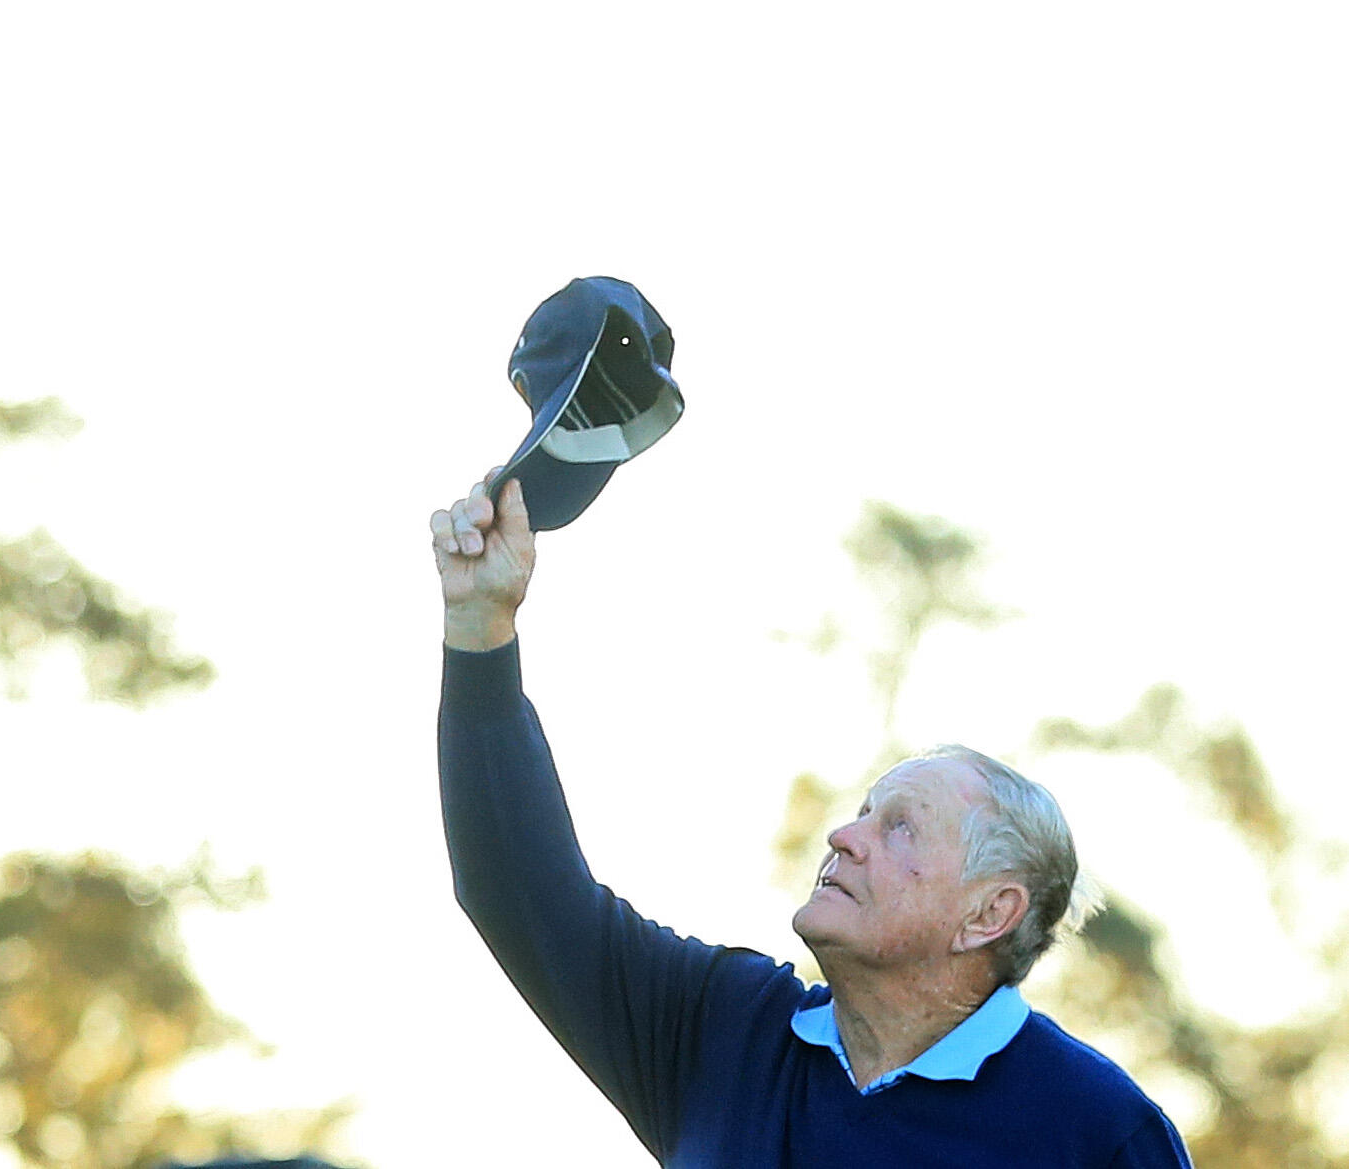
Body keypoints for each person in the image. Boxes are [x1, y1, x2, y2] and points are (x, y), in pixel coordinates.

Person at [431, 472, 1192, 1167]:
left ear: (989, 913)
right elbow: (519, 890)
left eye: (900, 828)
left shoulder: (1100, 1134)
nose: (843, 837)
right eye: (864, 813)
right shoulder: (722, 1032)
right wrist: (479, 626)